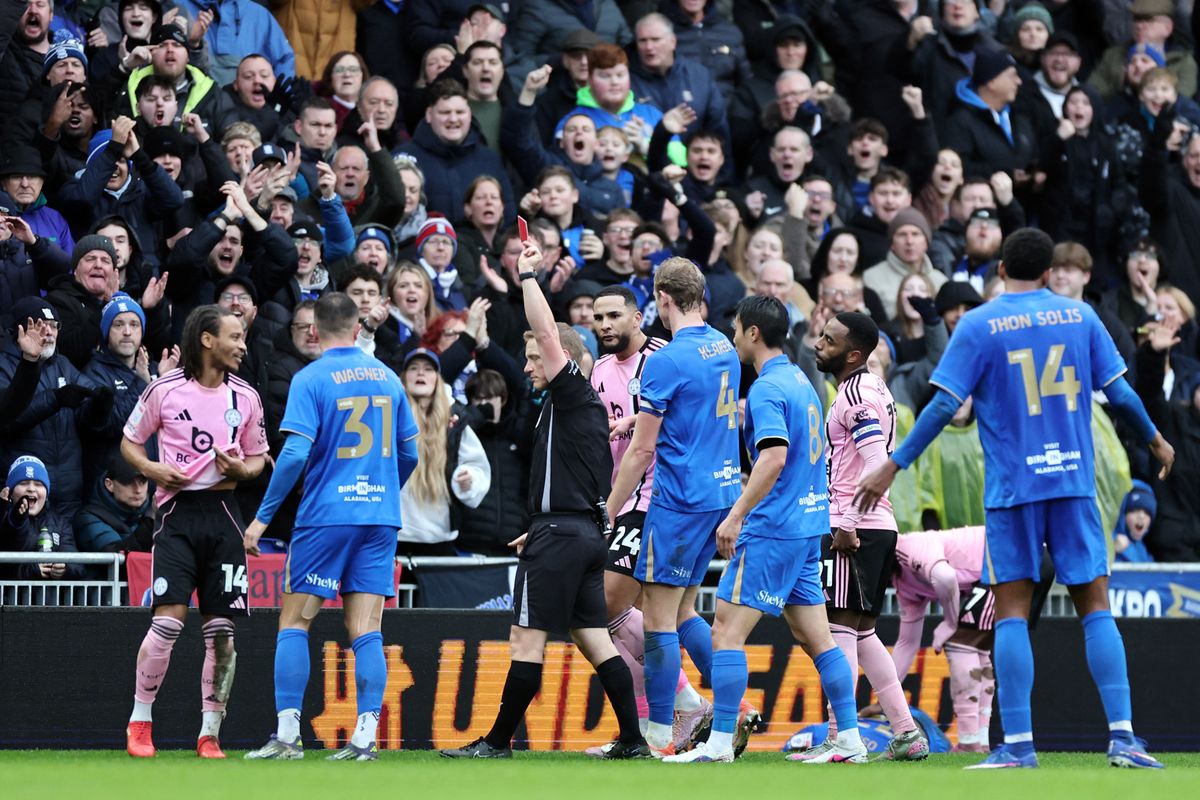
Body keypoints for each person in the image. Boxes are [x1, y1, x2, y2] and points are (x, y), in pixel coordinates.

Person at [855, 228, 1175, 769]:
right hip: (1072, 483)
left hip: (1013, 490)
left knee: (1010, 613)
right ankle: (1123, 738)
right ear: (1049, 272)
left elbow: (942, 406)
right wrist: (1155, 438)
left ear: (1001, 269)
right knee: (1095, 607)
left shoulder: (979, 323)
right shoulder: (1080, 316)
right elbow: (1120, 393)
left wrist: (894, 463)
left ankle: (1020, 746)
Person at [441, 238, 647, 760]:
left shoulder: (573, 393)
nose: (530, 365)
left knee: (526, 642)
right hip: (579, 532)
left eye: (536, 358)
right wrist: (540, 524)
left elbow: (550, 334)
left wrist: (528, 276)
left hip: (561, 536)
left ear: (565, 361)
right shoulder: (571, 406)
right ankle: (632, 739)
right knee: (595, 639)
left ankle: (496, 743)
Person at [667, 296, 866, 764]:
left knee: (725, 634)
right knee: (818, 640)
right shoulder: (800, 380)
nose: (733, 337)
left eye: (737, 328)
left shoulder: (766, 388)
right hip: (807, 525)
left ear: (753, 332)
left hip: (775, 527)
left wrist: (736, 514)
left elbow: (774, 457)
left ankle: (719, 744)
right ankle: (850, 739)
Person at [243, 292, 418, 761]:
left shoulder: (311, 377)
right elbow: (410, 453)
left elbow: (295, 453)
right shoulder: (388, 378)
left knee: (295, 621)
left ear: (315, 330)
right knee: (366, 628)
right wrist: (382, 490)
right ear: (358, 326)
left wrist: (263, 517)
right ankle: (364, 739)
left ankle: (287, 737)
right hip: (379, 518)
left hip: (326, 516)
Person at [605, 257, 742, 757]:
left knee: (658, 618)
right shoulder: (724, 346)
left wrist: (610, 509)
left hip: (680, 499)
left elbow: (642, 451)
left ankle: (659, 734)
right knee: (685, 609)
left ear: (663, 299)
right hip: (720, 497)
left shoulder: (664, 359)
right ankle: (734, 713)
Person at [120, 305, 268, 759]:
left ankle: (210, 733)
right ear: (207, 339)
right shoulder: (164, 390)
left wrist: (242, 470)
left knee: (222, 633)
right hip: (176, 515)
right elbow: (129, 442)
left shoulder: (246, 397)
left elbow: (258, 458)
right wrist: (153, 469)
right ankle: (140, 722)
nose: (242, 346)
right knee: (167, 621)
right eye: (235, 337)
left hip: (224, 514)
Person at [586, 286, 712, 753]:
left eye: (614, 315)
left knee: (609, 606)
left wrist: (637, 424)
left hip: (658, 500)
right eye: (598, 317)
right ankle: (663, 720)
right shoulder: (600, 371)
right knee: (661, 614)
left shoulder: (663, 357)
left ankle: (691, 707)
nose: (605, 324)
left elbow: (683, 424)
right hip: (622, 499)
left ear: (638, 317)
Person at [807, 310, 929, 762]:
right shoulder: (871, 386)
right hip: (875, 526)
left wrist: (848, 524)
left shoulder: (856, 395)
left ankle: (842, 738)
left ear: (853, 354)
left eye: (830, 340)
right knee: (863, 633)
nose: (819, 344)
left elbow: (877, 464)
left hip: (855, 526)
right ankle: (906, 732)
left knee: (837, 630)